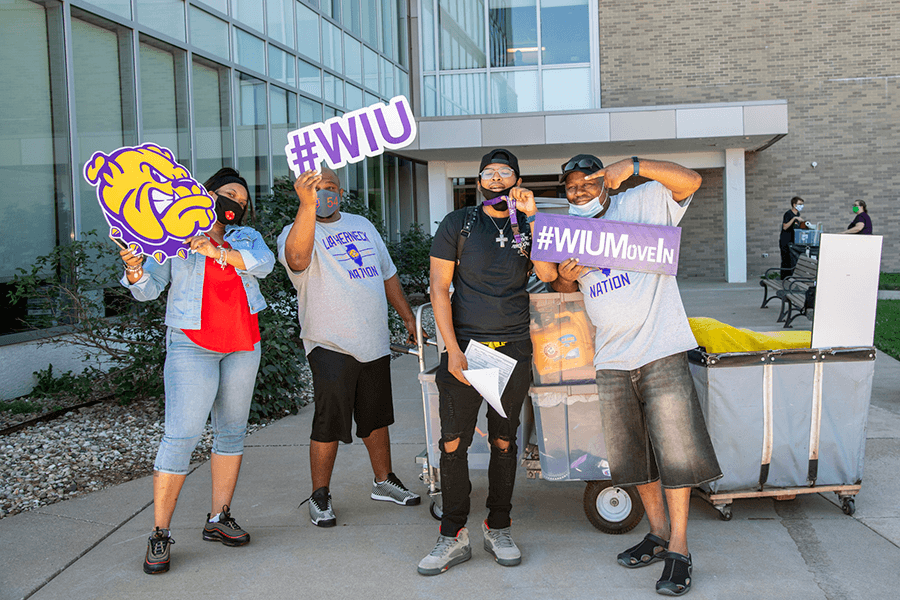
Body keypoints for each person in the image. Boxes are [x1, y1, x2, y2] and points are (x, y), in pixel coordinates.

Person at [544, 154, 722, 597]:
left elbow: (692, 181)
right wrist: (565, 280)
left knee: (677, 454)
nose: (580, 190)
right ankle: (659, 533)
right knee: (634, 457)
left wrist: (636, 165)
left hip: (660, 348)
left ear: (607, 181)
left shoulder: (642, 201)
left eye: (588, 181)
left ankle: (680, 548)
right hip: (611, 358)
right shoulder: (566, 231)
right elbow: (561, 286)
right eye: (571, 186)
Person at [120, 167, 275, 575]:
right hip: (192, 344)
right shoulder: (173, 238)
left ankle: (218, 519)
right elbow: (149, 288)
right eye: (228, 194)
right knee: (182, 435)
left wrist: (216, 250)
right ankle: (160, 532)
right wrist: (135, 269)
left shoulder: (247, 237)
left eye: (242, 201)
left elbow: (263, 264)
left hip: (243, 343)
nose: (235, 204)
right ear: (205, 194)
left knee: (231, 431)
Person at [418, 148, 557, 576]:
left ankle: (498, 525)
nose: (496, 179)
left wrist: (531, 218)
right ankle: (452, 534)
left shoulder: (529, 223)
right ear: (479, 180)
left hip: (513, 346)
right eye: (488, 173)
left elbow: (549, 275)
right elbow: (439, 288)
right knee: (452, 444)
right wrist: (452, 349)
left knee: (503, 441)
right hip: (466, 349)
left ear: (517, 178)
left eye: (505, 172)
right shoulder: (459, 223)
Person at [277, 167, 421, 528]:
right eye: (316, 189)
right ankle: (320, 495)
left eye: (331, 188)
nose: (325, 194)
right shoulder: (296, 231)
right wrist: (305, 206)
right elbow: (296, 260)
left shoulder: (363, 225)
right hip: (329, 342)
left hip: (372, 340)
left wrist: (407, 317)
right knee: (329, 421)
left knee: (375, 417)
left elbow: (387, 274)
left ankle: (384, 480)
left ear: (341, 191)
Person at [780, 196, 807, 279]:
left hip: (793, 240)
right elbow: (785, 226)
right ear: (794, 204)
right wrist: (794, 218)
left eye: (802, 204)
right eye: (799, 204)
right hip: (785, 240)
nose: (801, 206)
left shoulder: (798, 214)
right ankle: (784, 278)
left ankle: (790, 277)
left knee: (792, 259)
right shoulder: (788, 214)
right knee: (785, 260)